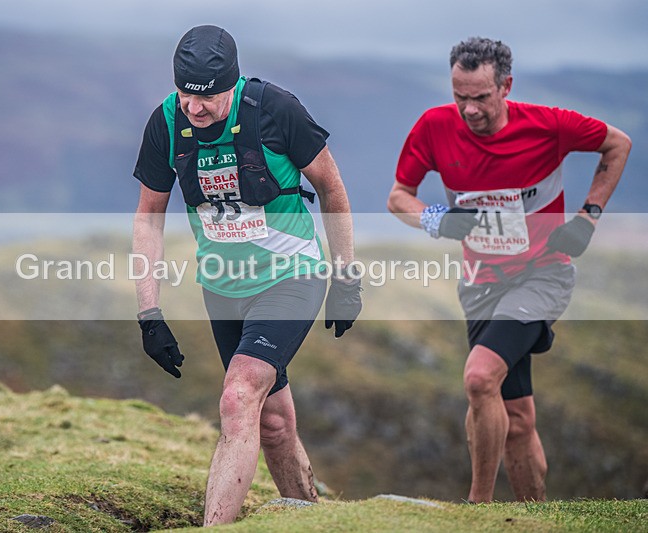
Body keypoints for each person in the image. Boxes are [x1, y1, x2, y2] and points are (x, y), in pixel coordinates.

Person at [132, 25, 361, 525]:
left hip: (291, 275)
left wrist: (345, 280)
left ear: (231, 85)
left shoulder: (275, 110)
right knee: (274, 422)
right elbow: (149, 217)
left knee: (238, 397)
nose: (195, 109)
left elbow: (332, 188)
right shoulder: (167, 124)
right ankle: (310, 516)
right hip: (223, 287)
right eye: (185, 96)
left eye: (209, 98)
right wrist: (149, 313)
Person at [387, 37, 631, 503]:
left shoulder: (549, 125)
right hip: (481, 285)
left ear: (506, 86)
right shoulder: (434, 127)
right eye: (460, 96)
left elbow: (618, 143)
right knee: (516, 417)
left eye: (480, 97)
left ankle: (477, 507)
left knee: (479, 378)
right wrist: (437, 218)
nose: (469, 109)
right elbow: (399, 197)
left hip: (542, 274)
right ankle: (532, 514)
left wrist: (588, 218)